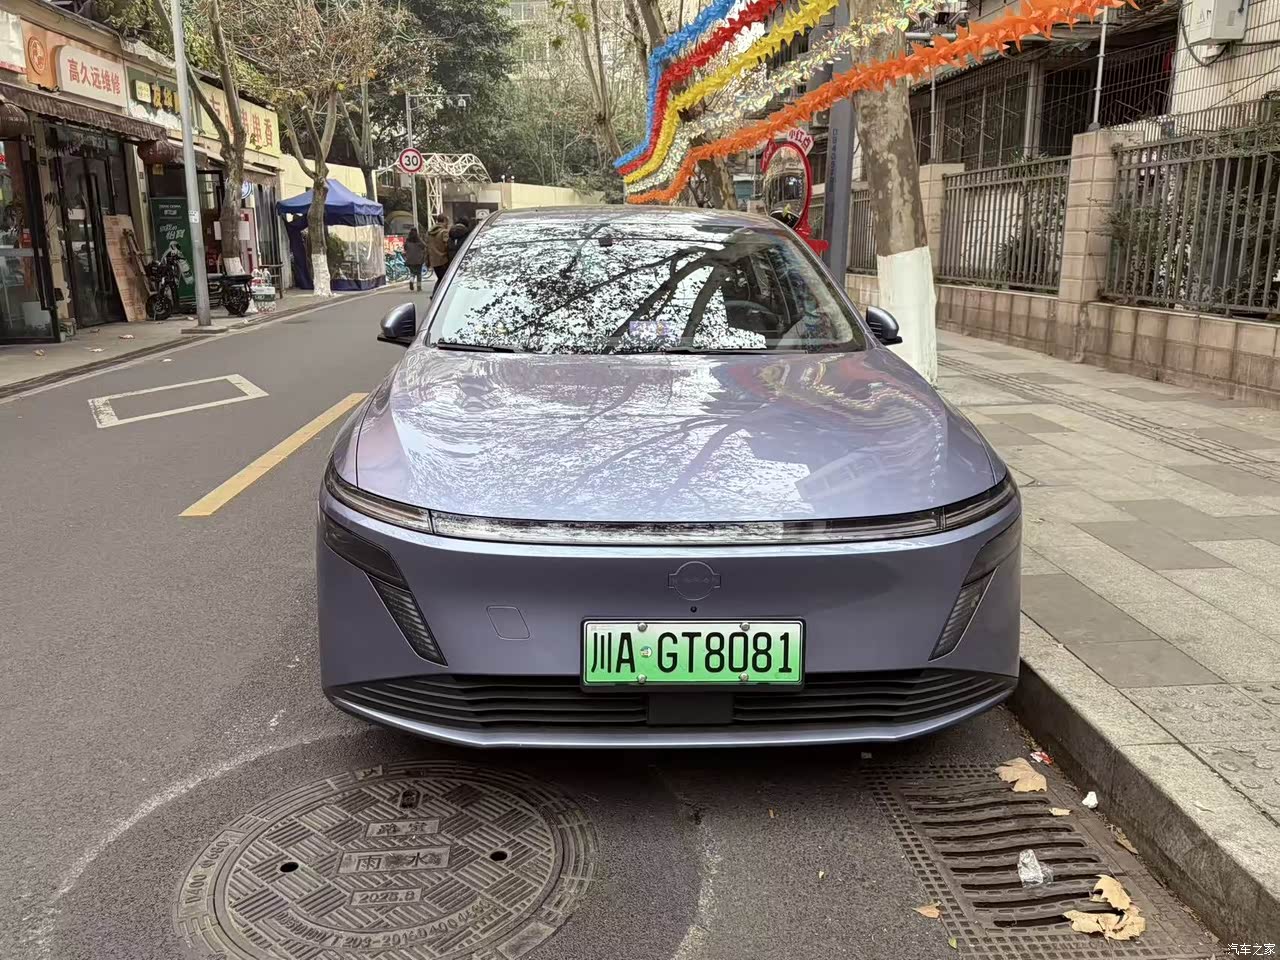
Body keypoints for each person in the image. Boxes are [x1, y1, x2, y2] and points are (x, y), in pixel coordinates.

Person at [426, 214, 450, 285]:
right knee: (444, 282)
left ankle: (436, 291)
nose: (447, 224)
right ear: (444, 221)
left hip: (433, 261)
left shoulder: (429, 233)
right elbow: (447, 246)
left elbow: (427, 246)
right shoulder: (444, 232)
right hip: (443, 260)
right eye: (447, 222)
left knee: (440, 280)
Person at [403, 227, 427, 291]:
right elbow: (424, 246)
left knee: (412, 272)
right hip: (418, 259)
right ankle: (419, 287)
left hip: (410, 259)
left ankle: (411, 280)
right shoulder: (419, 240)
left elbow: (405, 248)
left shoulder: (407, 240)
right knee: (419, 273)